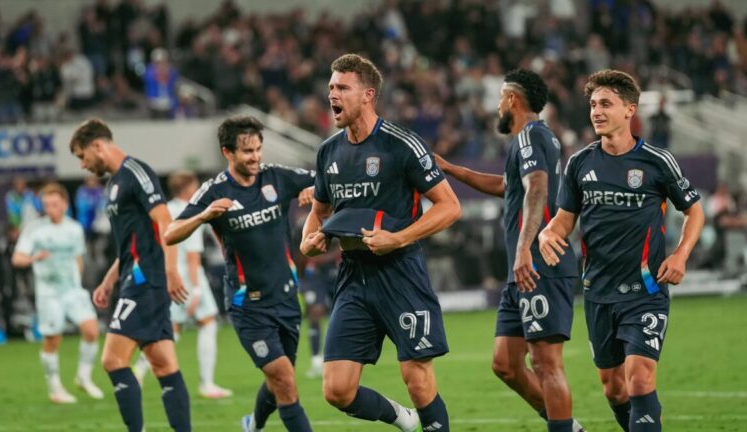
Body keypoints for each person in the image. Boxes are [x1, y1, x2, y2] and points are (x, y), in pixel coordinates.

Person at [300, 53, 461, 432]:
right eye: (330, 88)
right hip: (353, 279)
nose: (332, 95)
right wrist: (309, 238)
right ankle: (402, 418)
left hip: (400, 273)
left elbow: (450, 207)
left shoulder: (401, 144)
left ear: (368, 94)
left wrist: (399, 238)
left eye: (342, 87)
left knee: (417, 379)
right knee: (337, 390)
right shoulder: (328, 151)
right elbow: (319, 211)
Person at [539, 69, 705, 432]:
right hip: (599, 291)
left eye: (606, 104)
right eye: (593, 104)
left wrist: (680, 255)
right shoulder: (580, 163)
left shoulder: (657, 161)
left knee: (640, 378)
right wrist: (548, 234)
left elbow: (695, 210)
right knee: (613, 388)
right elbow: (565, 220)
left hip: (646, 290)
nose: (596, 111)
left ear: (630, 109)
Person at [436, 68, 584, 432]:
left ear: (513, 100)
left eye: (500, 99)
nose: (497, 106)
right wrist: (452, 170)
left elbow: (536, 188)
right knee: (506, 363)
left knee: (546, 363)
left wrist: (522, 250)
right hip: (523, 272)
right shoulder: (527, 141)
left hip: (539, 264)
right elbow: (508, 185)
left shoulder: (532, 135)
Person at [165, 115, 315, 432]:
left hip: (287, 299)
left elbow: (325, 179)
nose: (256, 157)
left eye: (259, 149)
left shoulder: (276, 177)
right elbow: (171, 233)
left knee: (280, 378)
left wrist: (313, 190)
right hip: (249, 306)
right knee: (285, 381)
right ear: (228, 153)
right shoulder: (214, 190)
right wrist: (203, 216)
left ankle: (254, 425)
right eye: (248, 151)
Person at [70, 119, 191, 432]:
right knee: (163, 364)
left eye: (82, 156)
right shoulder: (115, 184)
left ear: (98, 145)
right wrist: (109, 280)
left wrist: (171, 270)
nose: (83, 165)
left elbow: (166, 222)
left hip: (146, 280)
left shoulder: (136, 172)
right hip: (134, 278)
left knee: (112, 360)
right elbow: (130, 245)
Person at [133, 170, 233, 399]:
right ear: (189, 188)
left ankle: (139, 368)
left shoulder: (165, 209)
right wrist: (196, 288)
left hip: (165, 274)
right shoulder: (191, 212)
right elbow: (192, 254)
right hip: (186, 277)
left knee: (173, 328)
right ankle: (207, 383)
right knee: (207, 323)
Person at [11, 183, 103, 403]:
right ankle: (55, 388)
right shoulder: (35, 229)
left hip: (72, 290)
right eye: (45, 204)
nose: (49, 208)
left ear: (64, 204)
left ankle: (83, 377)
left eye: (53, 204)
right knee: (53, 339)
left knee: (91, 330)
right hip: (49, 293)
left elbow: (79, 257)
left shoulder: (74, 228)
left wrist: (77, 280)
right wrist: (34, 258)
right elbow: (17, 258)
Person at [300, 245, 339, 378]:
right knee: (315, 313)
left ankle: (340, 359)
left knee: (341, 315)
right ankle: (316, 359)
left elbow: (341, 246)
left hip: (336, 271)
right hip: (316, 275)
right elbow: (301, 250)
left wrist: (327, 257)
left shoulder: (336, 225)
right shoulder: (304, 226)